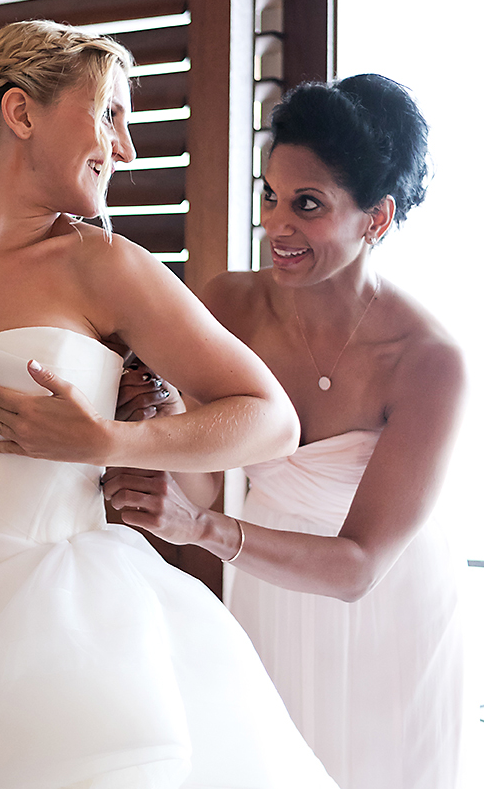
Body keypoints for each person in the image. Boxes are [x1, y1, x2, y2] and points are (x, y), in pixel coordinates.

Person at [0, 20, 344, 789]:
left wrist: (106, 440)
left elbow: (270, 418)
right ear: (21, 112)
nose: (125, 148)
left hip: (70, 641)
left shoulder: (108, 268)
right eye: (109, 114)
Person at [104, 74, 465, 789]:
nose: (275, 225)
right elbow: (207, 484)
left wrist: (201, 530)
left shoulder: (427, 361)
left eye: (307, 204)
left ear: (376, 218)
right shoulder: (227, 304)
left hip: (387, 611)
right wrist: (167, 418)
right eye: (269, 195)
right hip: (267, 592)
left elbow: (358, 566)